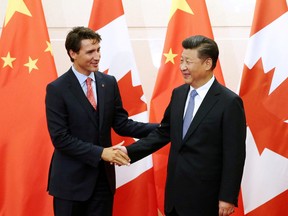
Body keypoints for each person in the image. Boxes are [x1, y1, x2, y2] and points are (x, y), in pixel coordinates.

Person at [119, 35, 246, 216]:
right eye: (181, 61)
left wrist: (227, 197)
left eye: (188, 62)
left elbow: (235, 154)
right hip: (175, 196)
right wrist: (128, 152)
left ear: (207, 63)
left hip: (206, 198)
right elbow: (164, 132)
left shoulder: (229, 102)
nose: (182, 67)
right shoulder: (178, 94)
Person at [45, 26, 157, 216]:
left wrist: (163, 128)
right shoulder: (57, 89)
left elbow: (122, 124)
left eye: (98, 50)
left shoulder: (109, 82)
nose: (97, 56)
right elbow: (60, 138)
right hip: (70, 184)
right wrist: (101, 153)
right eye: (90, 52)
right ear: (73, 53)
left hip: (102, 182)